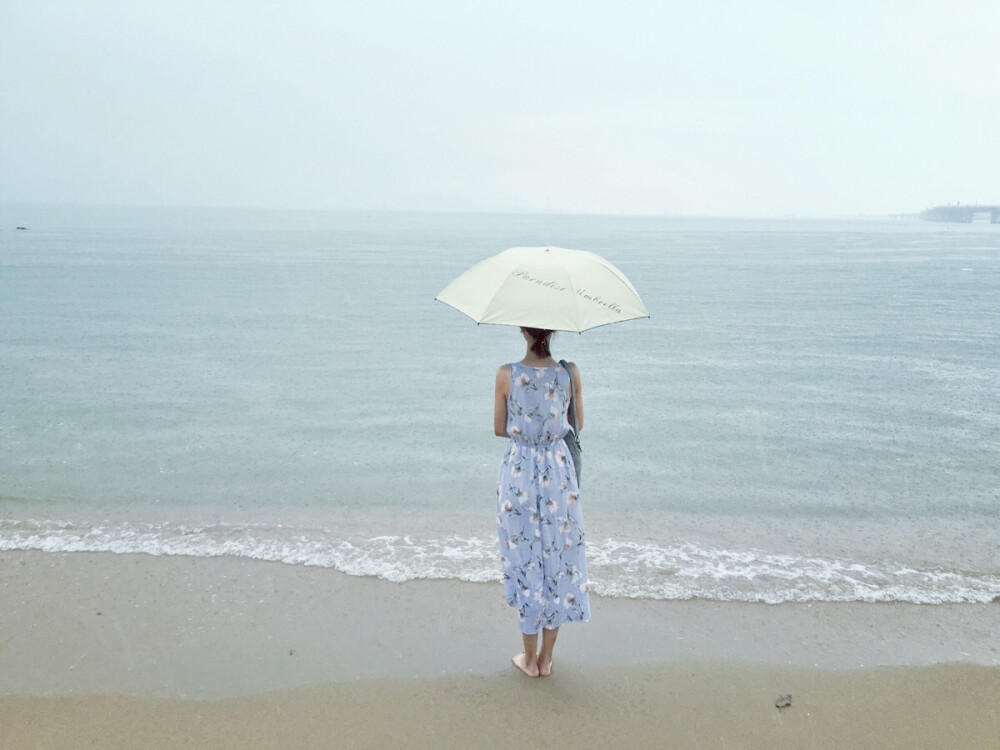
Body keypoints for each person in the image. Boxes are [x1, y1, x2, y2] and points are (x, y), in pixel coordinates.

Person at [493, 326, 590, 677]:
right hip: (557, 473)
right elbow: (578, 422)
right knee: (558, 562)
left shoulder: (507, 374)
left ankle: (528, 659)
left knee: (526, 563)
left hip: (519, 472)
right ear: (555, 329)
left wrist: (527, 428)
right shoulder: (569, 372)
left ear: (522, 329)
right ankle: (547, 660)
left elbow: (499, 428)